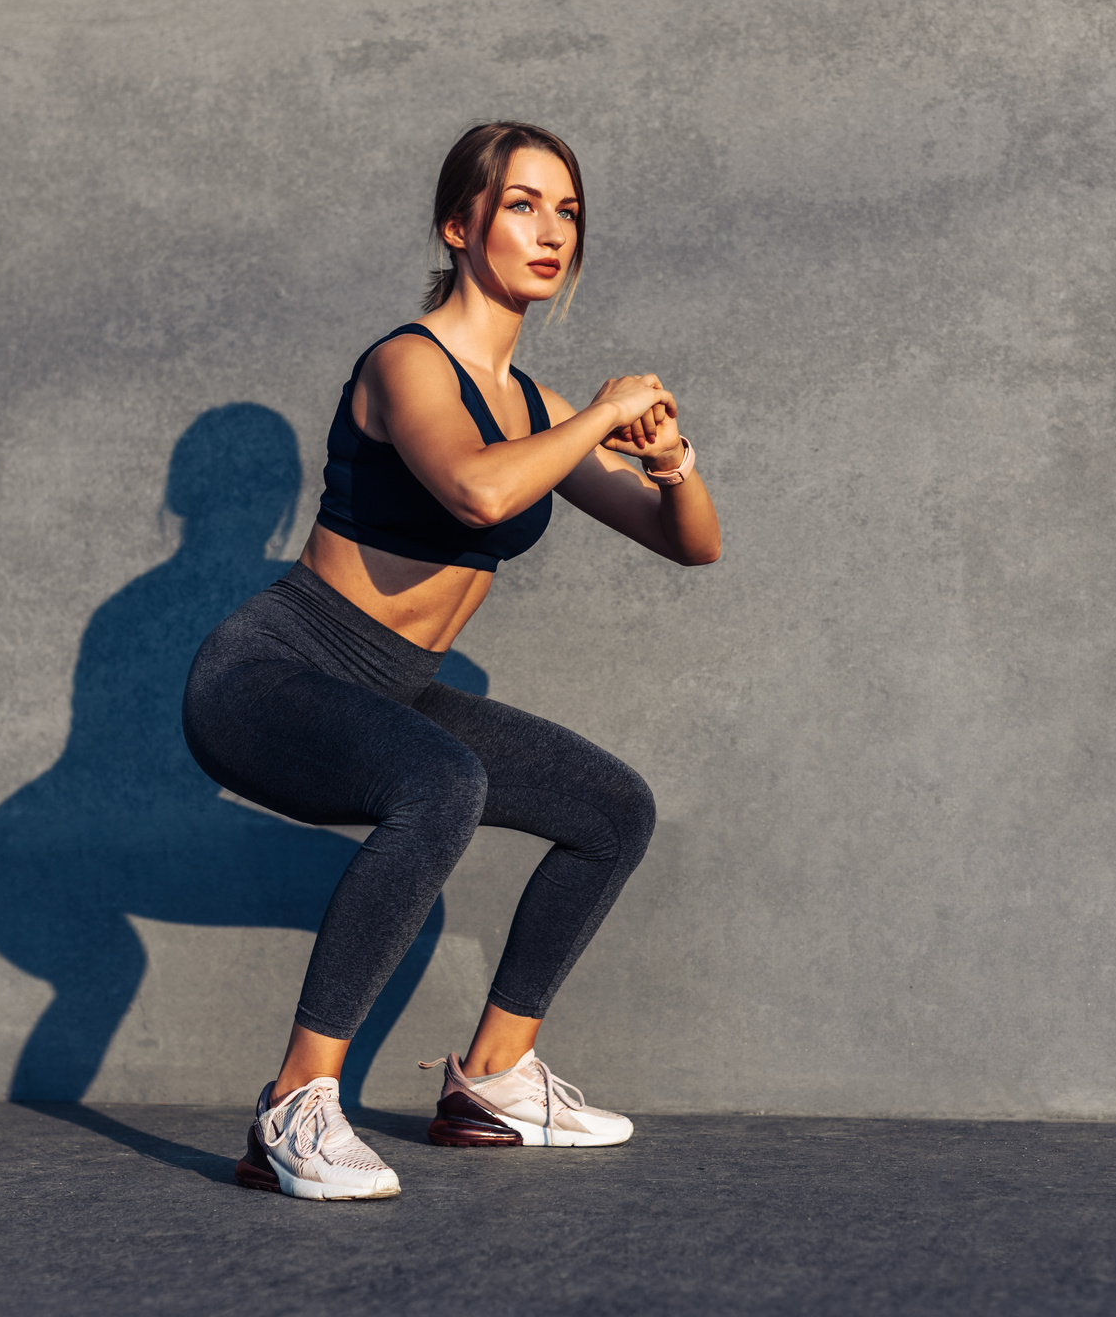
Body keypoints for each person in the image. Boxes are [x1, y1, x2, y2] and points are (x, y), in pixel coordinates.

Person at [181, 121, 721, 1201]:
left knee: (611, 808)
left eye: (567, 210)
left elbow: (689, 542)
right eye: (523, 204)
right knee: (441, 781)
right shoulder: (405, 363)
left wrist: (673, 463)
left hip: (386, 682)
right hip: (269, 675)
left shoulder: (538, 407)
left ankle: (494, 1079)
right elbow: (480, 489)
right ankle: (292, 1108)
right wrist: (607, 412)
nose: (551, 229)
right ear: (458, 224)